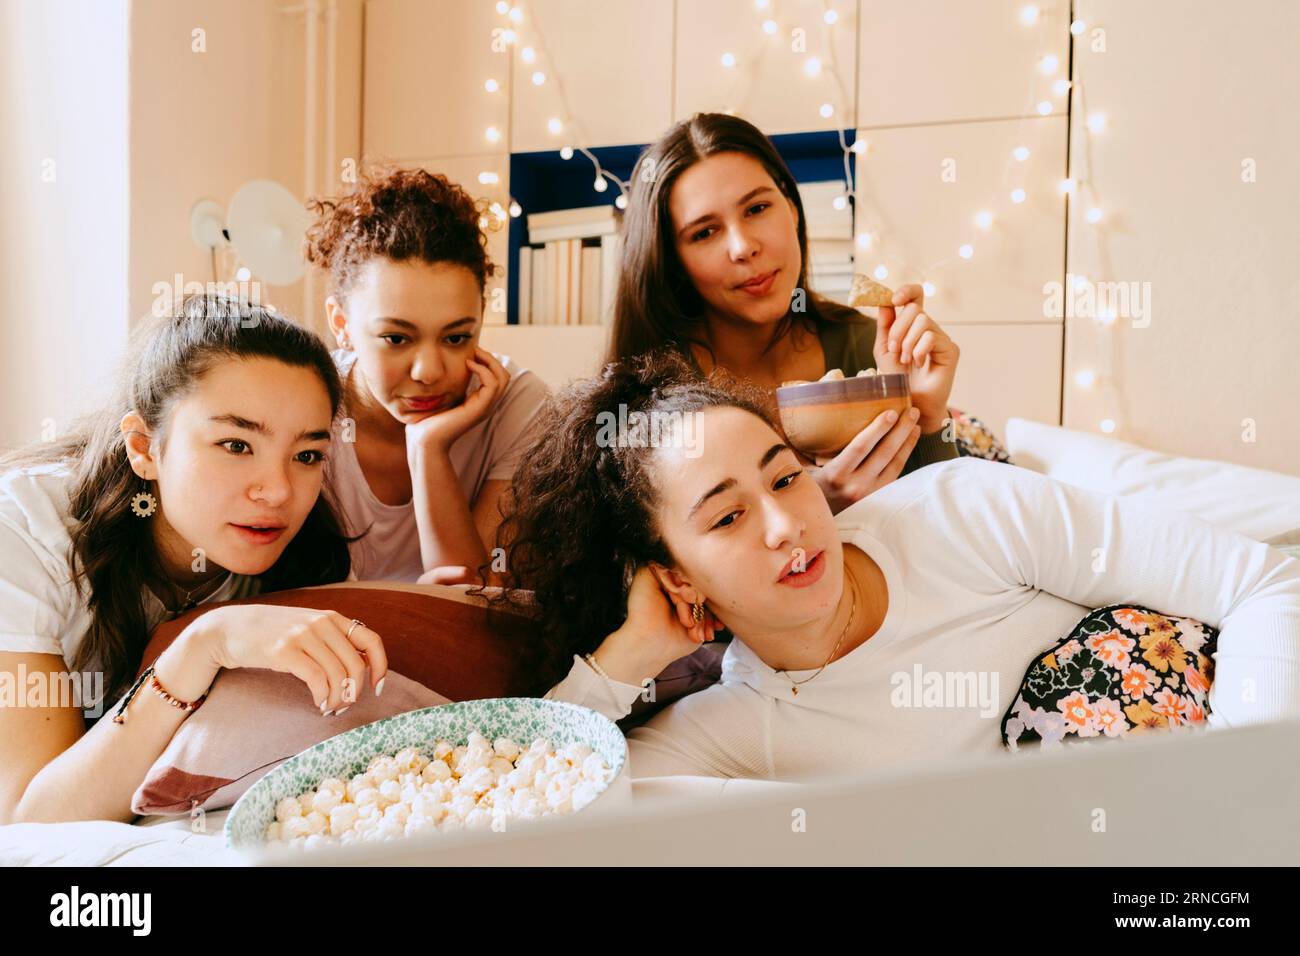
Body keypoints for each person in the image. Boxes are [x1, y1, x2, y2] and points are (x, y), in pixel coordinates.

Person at [489, 350, 1300, 779]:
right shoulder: (738, 731)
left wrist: (1235, 810)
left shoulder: (963, 512)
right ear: (675, 575)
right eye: (729, 516)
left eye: (784, 474)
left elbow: (1267, 580)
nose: (786, 524)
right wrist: (624, 659)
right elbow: (536, 825)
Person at [0, 295, 388, 824]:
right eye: (235, 445)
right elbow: (30, 819)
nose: (277, 492)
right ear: (143, 447)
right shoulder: (25, 528)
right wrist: (205, 644)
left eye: (306, 455)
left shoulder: (309, 552)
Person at [610, 112, 962, 514]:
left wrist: (928, 416)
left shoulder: (870, 351)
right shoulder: (651, 395)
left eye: (757, 208)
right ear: (673, 262)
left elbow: (949, 537)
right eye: (704, 233)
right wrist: (811, 504)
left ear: (792, 209)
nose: (743, 247)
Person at [305, 166, 550, 584]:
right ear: (341, 324)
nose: (429, 372)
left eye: (456, 337)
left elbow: (476, 601)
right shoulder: (304, 400)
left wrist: (428, 449)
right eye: (396, 338)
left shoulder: (519, 403)